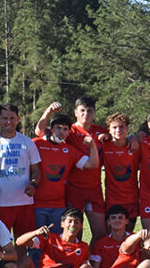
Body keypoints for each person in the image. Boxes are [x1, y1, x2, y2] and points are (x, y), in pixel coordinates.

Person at [35, 99, 107, 236]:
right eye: (82, 110)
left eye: (90, 111)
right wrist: (49, 110)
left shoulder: (100, 131)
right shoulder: (70, 130)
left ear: (94, 113)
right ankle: (74, 257)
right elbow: (40, 131)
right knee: (74, 233)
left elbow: (119, 135)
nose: (86, 114)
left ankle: (94, 257)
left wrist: (134, 137)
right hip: (73, 189)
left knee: (100, 233)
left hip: (95, 188)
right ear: (75, 112)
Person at [0, 102, 42, 238]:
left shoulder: (28, 142)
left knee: (23, 242)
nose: (9, 122)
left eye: (12, 118)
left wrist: (33, 184)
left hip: (24, 202)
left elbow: (36, 170)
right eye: (5, 118)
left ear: (18, 119)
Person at [102, 113, 141, 229]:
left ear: (127, 128)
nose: (118, 130)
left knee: (128, 236)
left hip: (131, 200)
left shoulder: (135, 147)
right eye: (114, 127)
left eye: (121, 127)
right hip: (112, 200)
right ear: (109, 129)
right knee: (112, 236)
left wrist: (135, 137)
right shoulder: (104, 147)